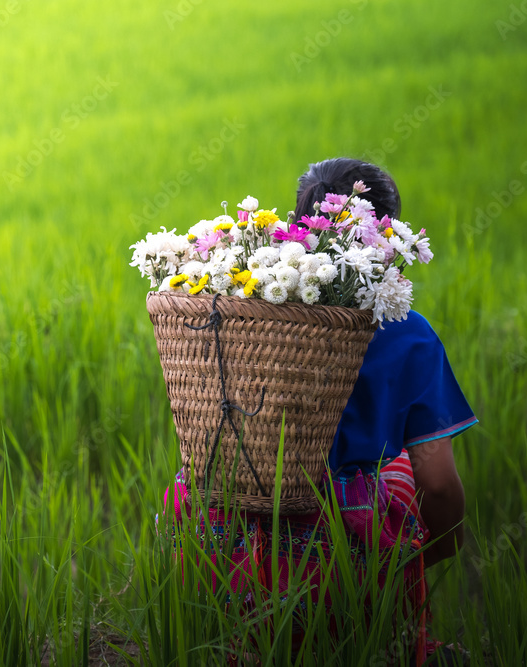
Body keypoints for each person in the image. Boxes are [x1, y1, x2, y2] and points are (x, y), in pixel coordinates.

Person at [160, 157, 478, 663]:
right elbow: (437, 483)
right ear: (388, 235)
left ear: (297, 224)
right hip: (342, 541)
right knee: (395, 470)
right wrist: (435, 550)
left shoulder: (246, 308)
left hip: (223, 521)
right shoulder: (408, 334)